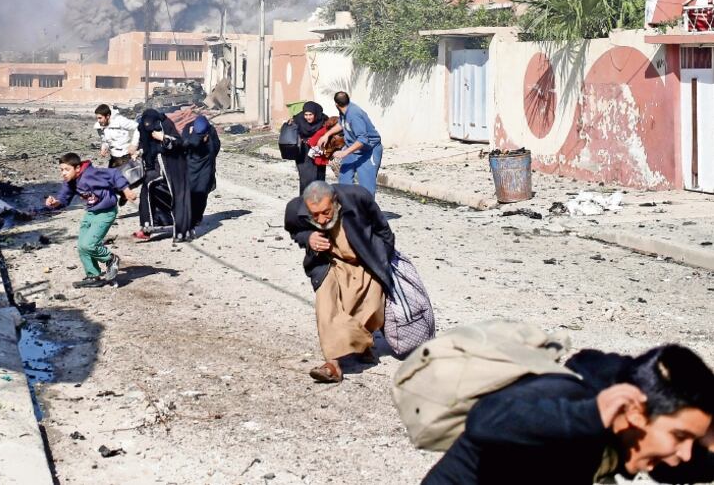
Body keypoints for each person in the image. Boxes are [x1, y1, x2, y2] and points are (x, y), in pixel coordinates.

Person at [423, 344, 714, 484]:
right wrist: (590, 415)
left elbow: (684, 467)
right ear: (636, 413)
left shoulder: (634, 436)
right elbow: (485, 419)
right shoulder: (566, 399)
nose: (686, 453)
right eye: (680, 436)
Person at [284, 181, 396, 384]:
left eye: (326, 212)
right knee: (326, 307)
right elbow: (295, 231)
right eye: (314, 215)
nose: (321, 219)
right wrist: (308, 238)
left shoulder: (358, 197)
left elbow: (384, 231)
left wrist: (381, 260)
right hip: (329, 263)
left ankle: (361, 344)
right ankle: (333, 365)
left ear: (335, 202)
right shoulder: (296, 209)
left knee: (371, 308)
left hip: (365, 262)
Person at [44, 152, 136, 288]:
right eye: (61, 170)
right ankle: (93, 276)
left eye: (66, 169)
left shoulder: (92, 174)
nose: (63, 173)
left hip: (106, 212)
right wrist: (55, 202)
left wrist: (126, 191)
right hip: (91, 213)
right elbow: (64, 199)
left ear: (77, 168)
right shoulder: (70, 182)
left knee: (89, 244)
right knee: (82, 246)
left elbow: (114, 174)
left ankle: (111, 259)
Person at [134, 109, 192, 242]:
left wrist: (164, 138)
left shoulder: (165, 125)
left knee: (177, 197)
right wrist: (140, 151)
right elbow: (147, 144)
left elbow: (179, 142)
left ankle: (182, 232)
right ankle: (147, 228)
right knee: (150, 193)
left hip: (173, 168)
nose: (148, 126)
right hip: (156, 167)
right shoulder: (143, 127)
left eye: (150, 123)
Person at [318, 91, 382, 196]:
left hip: (368, 151)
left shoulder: (354, 114)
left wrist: (344, 153)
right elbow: (341, 124)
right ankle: (348, 207)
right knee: (344, 179)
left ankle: (367, 211)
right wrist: (327, 135)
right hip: (353, 149)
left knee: (366, 188)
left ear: (336, 104)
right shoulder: (344, 111)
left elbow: (362, 139)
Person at [183, 115, 220, 237]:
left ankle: (195, 218)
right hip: (192, 168)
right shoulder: (189, 131)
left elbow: (215, 147)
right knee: (195, 195)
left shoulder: (209, 131)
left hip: (204, 169)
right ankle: (191, 219)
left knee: (201, 194)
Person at [293, 101, 327, 194]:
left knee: (319, 177)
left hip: (318, 151)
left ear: (316, 113)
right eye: (306, 114)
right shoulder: (298, 119)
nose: (308, 117)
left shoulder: (324, 120)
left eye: (310, 114)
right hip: (303, 152)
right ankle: (305, 202)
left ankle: (320, 203)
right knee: (306, 179)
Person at [94, 104, 139, 169]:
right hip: (113, 157)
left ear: (108, 116)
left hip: (126, 156)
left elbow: (138, 127)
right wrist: (104, 147)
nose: (98, 120)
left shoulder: (120, 121)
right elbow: (104, 139)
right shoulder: (99, 126)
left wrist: (134, 144)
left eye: (100, 118)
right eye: (97, 118)